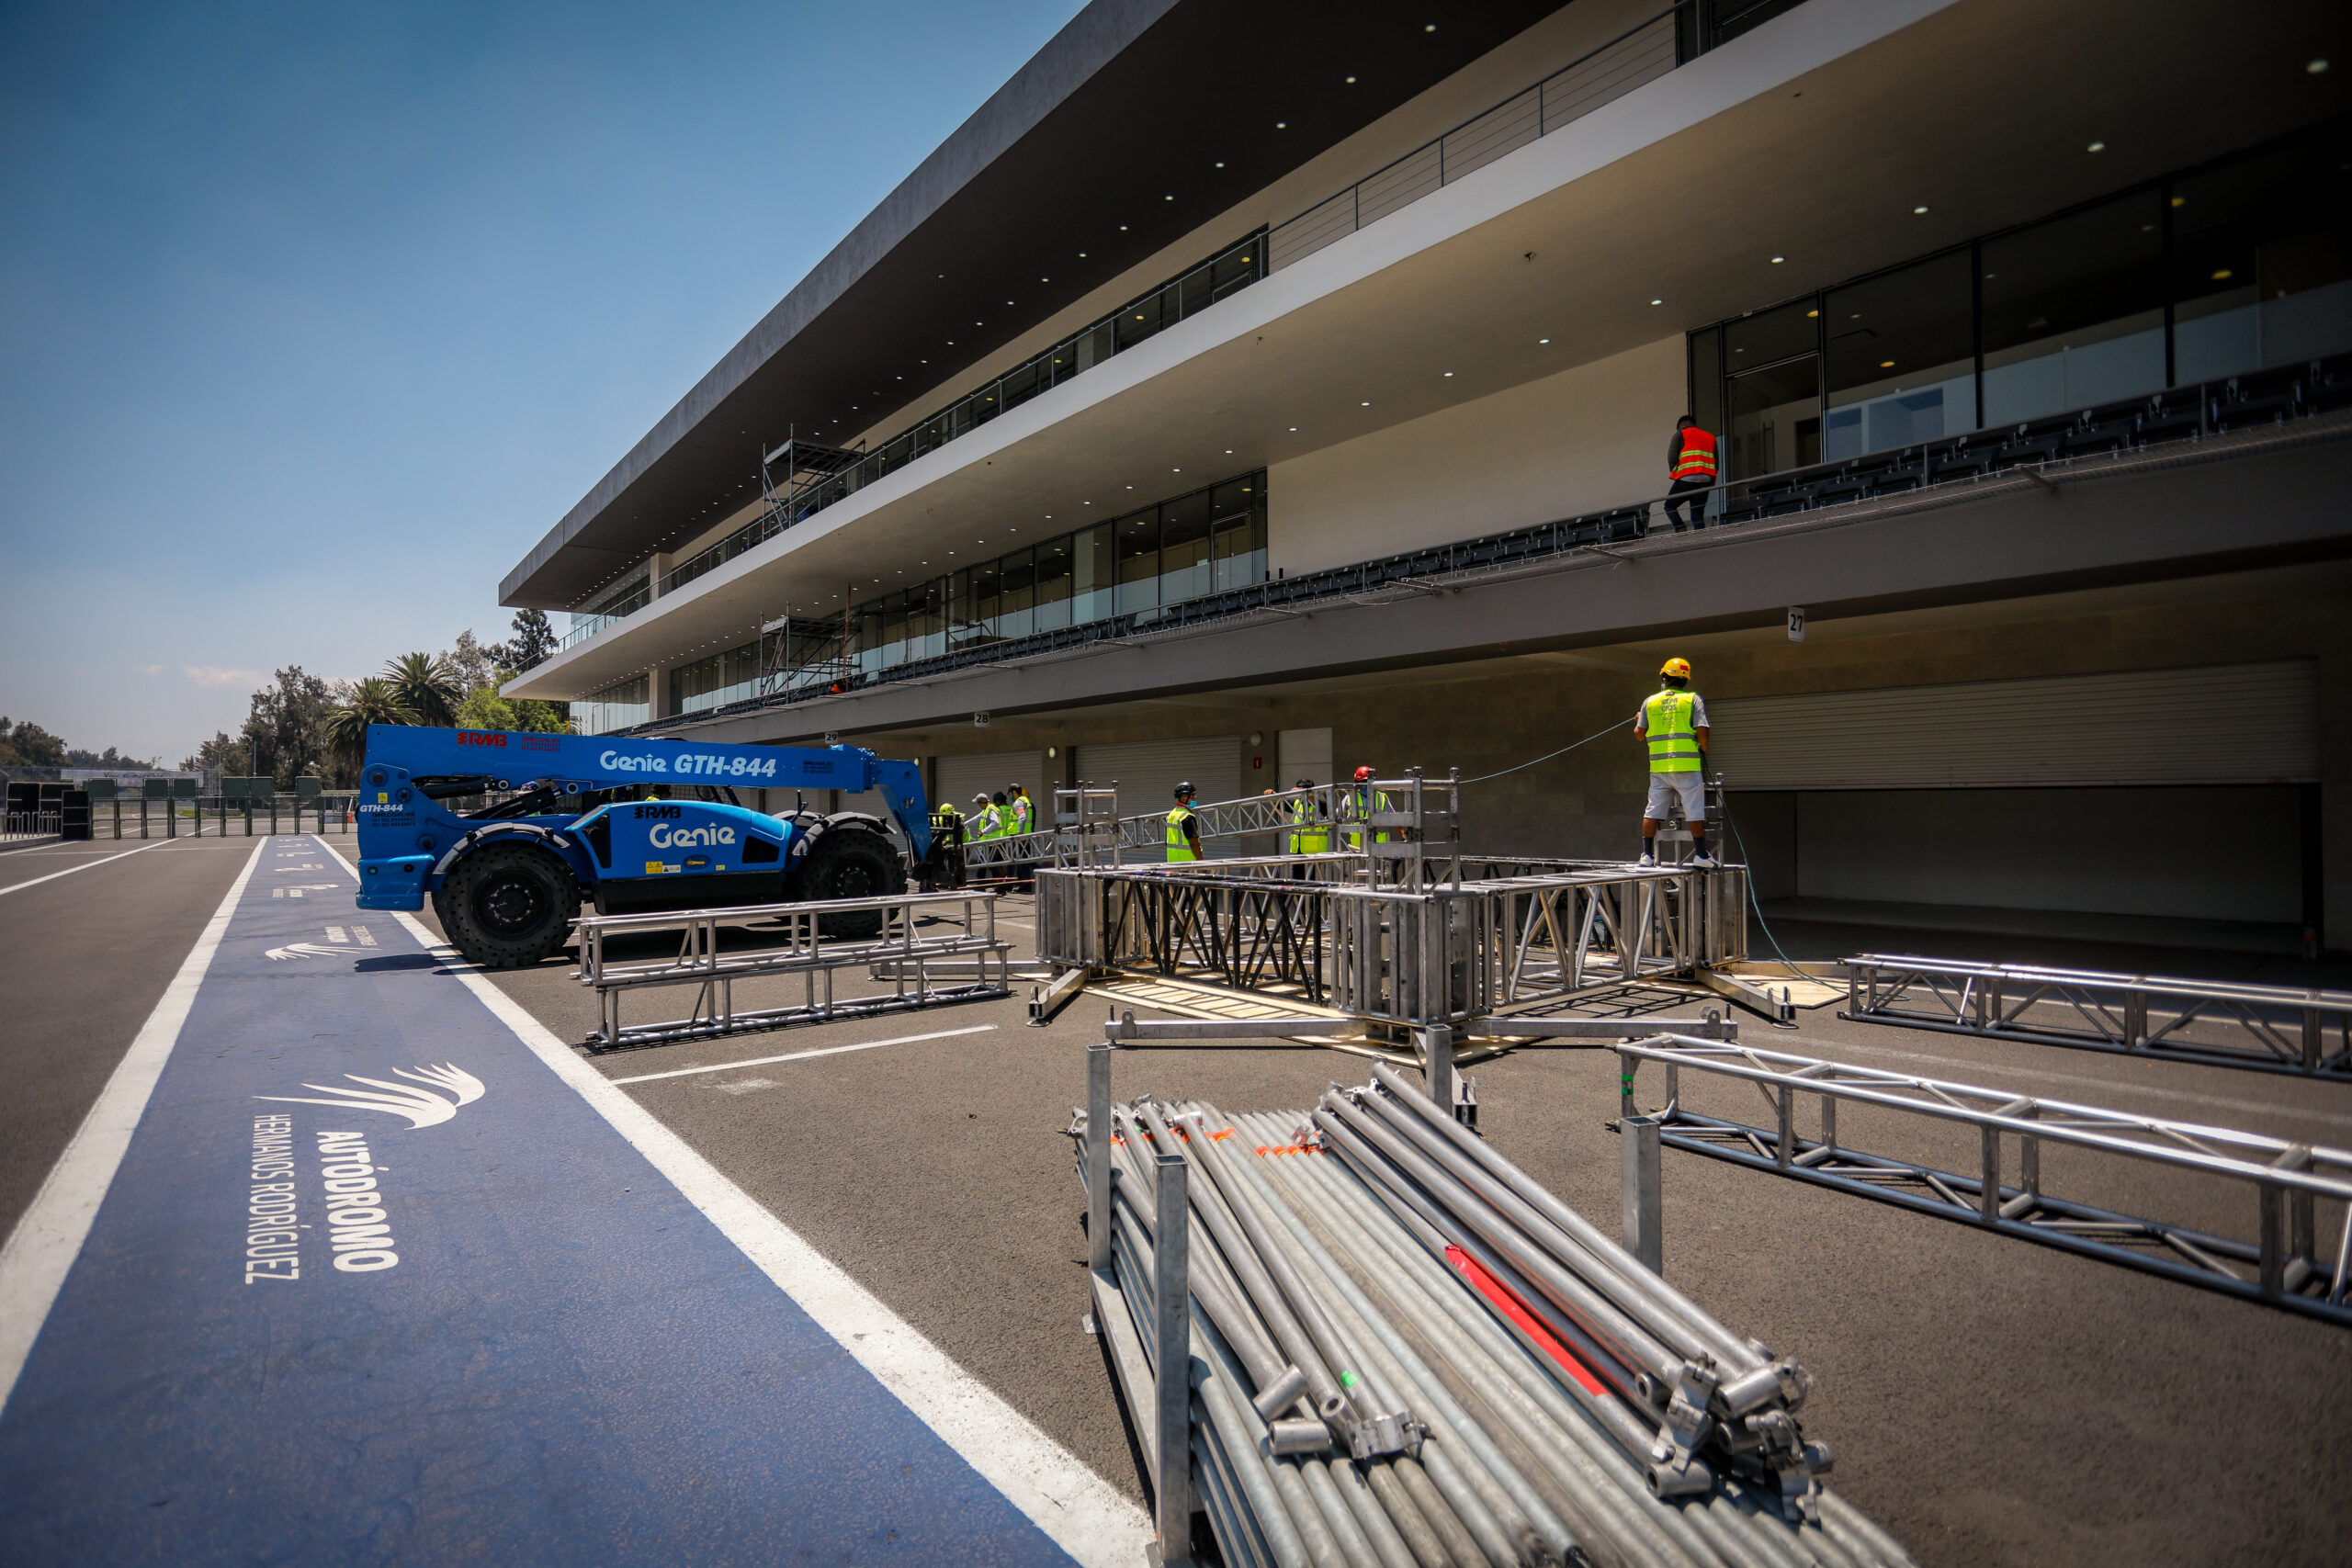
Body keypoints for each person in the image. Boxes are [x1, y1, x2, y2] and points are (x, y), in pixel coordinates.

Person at [1635, 657, 1715, 867]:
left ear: (1664, 677)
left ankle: (1647, 856)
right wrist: (1703, 747)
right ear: (1685, 680)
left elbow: (1639, 735)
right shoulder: (1692, 699)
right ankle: (1700, 855)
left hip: (1659, 768)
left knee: (1652, 810)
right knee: (1694, 810)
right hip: (1687, 766)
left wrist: (1639, 720)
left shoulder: (1649, 702)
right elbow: (1703, 731)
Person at [1662, 414, 1717, 534]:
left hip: (1686, 477)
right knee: (1697, 514)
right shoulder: (1710, 437)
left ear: (1681, 426)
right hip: (1705, 480)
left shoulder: (1680, 434)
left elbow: (1671, 457)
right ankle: (1700, 538)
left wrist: (1675, 470)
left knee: (1669, 506)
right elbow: (1716, 462)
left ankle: (1680, 527)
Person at [1287, 777, 1329, 878]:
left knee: (1313, 880)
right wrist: (1272, 794)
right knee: (1297, 880)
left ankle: (1314, 895)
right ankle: (1298, 895)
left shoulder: (1321, 804)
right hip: (1298, 849)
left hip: (1315, 851)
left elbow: (1324, 808)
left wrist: (1305, 793)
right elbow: (1282, 805)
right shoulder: (1297, 803)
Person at [1166, 782, 1203, 863]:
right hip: (1188, 863)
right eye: (1192, 796)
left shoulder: (1172, 814)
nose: (1195, 798)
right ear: (1183, 798)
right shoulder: (1187, 817)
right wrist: (1201, 863)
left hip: (1173, 862)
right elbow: (1194, 843)